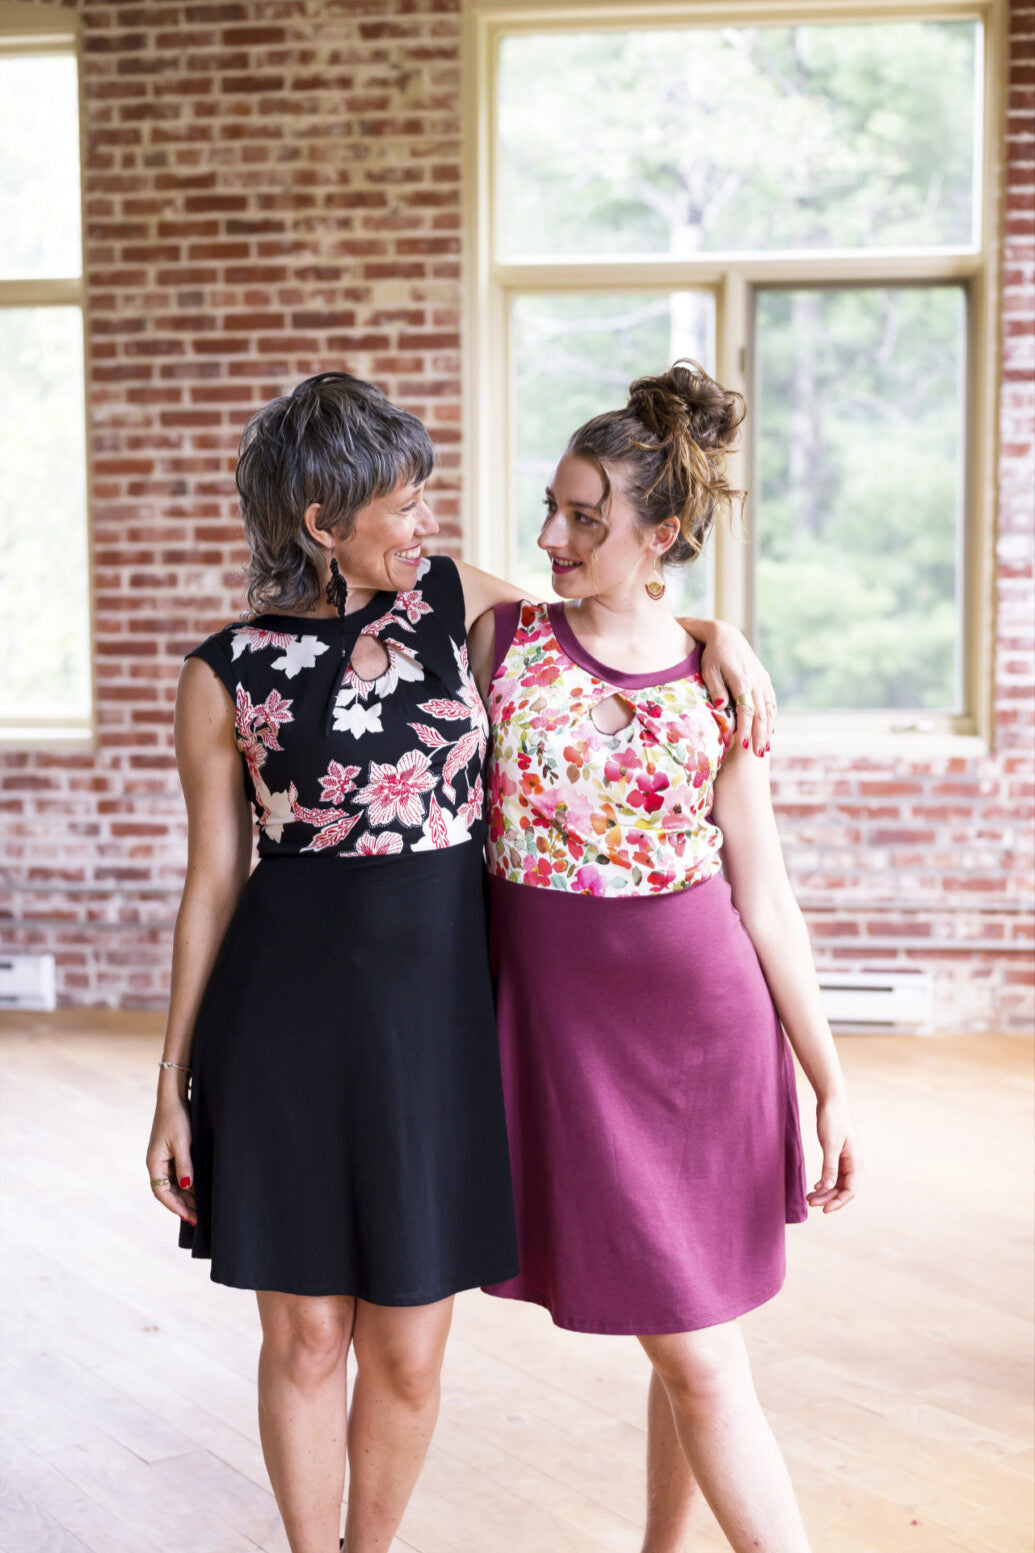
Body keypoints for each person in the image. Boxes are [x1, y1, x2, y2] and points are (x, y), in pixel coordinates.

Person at [144, 371, 775, 1553]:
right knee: (304, 1337)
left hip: (438, 1024)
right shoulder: (223, 671)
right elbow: (211, 885)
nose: (426, 522)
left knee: (409, 1352)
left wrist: (711, 629)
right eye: (401, 504)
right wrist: (172, 1080)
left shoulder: (447, 601)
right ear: (323, 524)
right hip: (280, 1026)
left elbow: (596, 614)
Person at [470, 361, 859, 1553]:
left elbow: (769, 899)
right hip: (560, 1033)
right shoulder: (502, 632)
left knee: (695, 1338)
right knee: (679, 1321)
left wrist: (831, 1079)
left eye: (587, 516)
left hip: (699, 1029)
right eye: (551, 504)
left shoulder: (713, 689)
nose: (552, 534)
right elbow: (394, 567)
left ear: (663, 532)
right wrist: (710, 617)